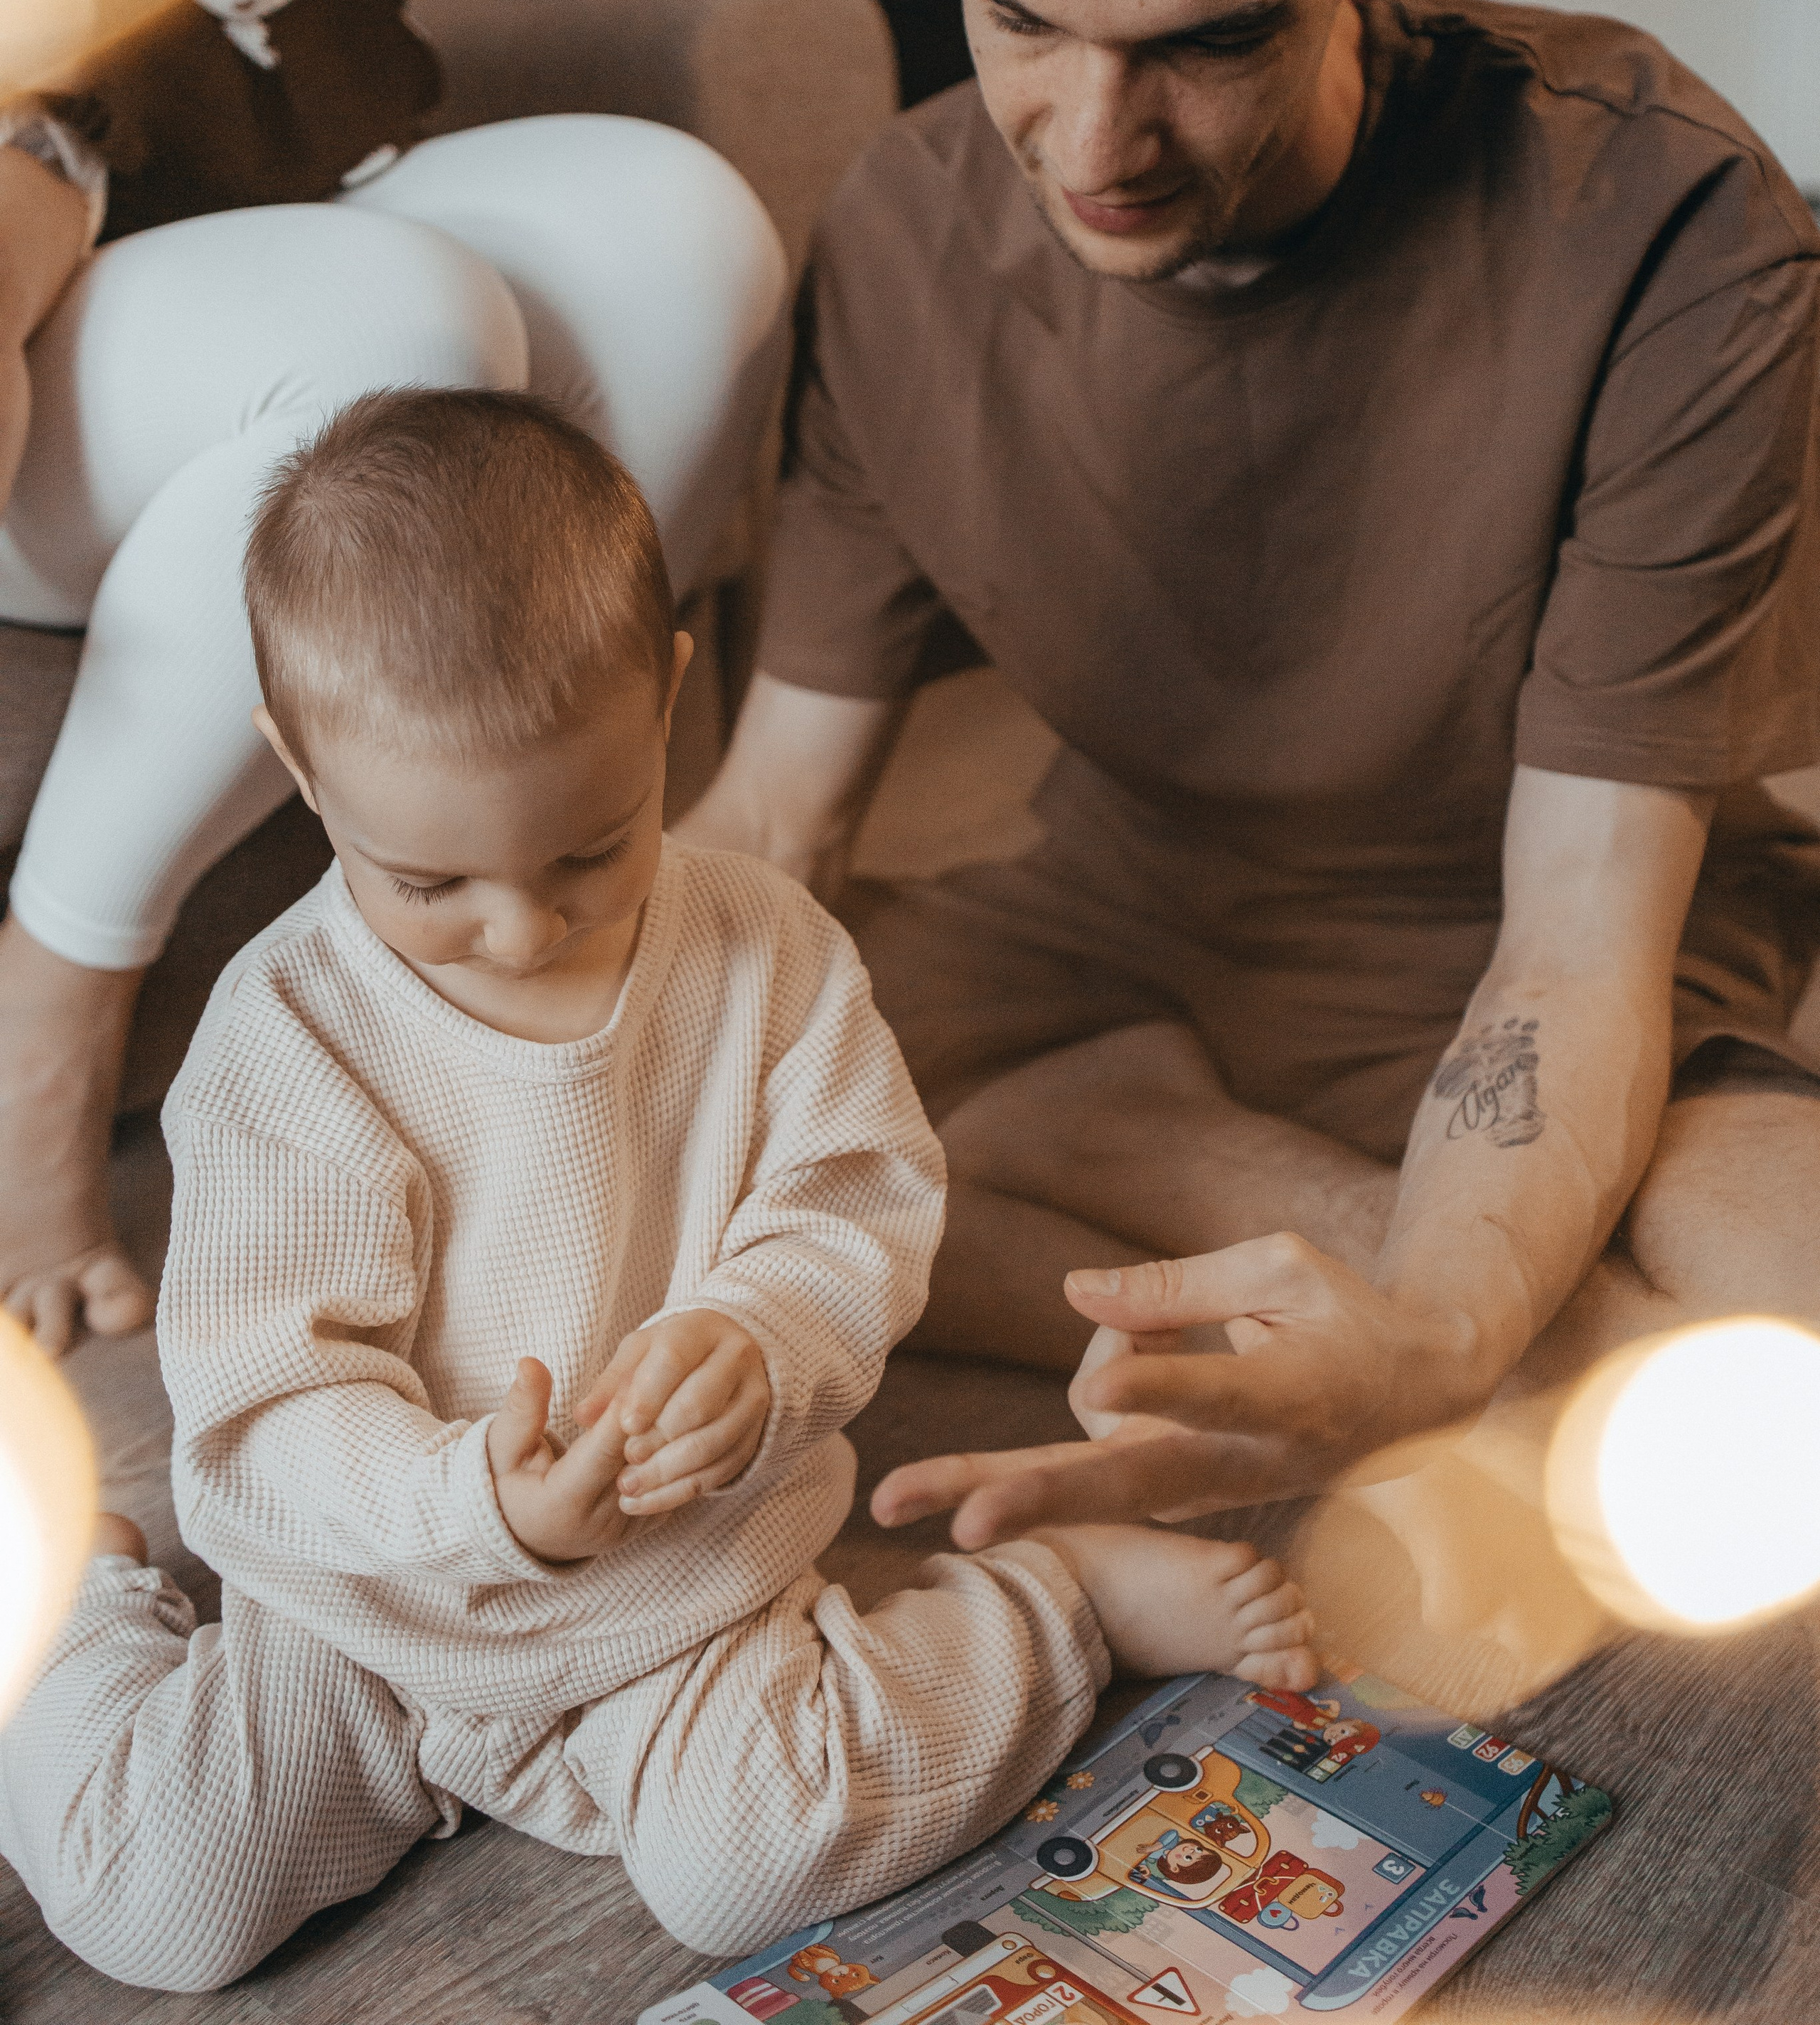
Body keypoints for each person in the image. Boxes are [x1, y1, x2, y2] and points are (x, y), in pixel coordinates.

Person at [677, 0, 1820, 1542]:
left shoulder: (1676, 225)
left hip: (1528, 931)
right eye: (1019, 15)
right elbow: (770, 830)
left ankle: (1320, 1263)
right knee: (733, 1130)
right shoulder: (908, 225)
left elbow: (1578, 946)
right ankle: (1297, 1235)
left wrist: (1447, 1326)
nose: (1092, 141)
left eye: (1204, 42)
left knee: (1787, 1320)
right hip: (1108, 926)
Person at [0, 390, 1315, 1992]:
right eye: (428, 884)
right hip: (366, 1612)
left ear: (669, 697)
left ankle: (1059, 1597)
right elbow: (271, 1403)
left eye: (588, 849)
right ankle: (78, 1597)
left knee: (753, 1858)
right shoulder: (289, 1043)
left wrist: (759, 1332)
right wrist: (475, 1500)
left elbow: (861, 1198)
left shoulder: (764, 949)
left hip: (677, 1597)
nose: (520, 930)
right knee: (152, 1905)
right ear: (300, 766)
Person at [0, 0, 791, 1355]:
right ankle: (58, 995)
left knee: (681, 233)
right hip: (32, 266)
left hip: (197, 194)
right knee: (402, 340)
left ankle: (498, 937)